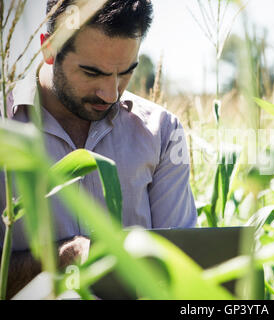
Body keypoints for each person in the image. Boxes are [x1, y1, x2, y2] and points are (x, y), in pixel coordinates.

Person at [0, 0, 197, 299]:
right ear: (49, 48)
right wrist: (63, 258)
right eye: (92, 73)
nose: (110, 93)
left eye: (126, 72)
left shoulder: (163, 132)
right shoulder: (6, 128)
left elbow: (185, 271)